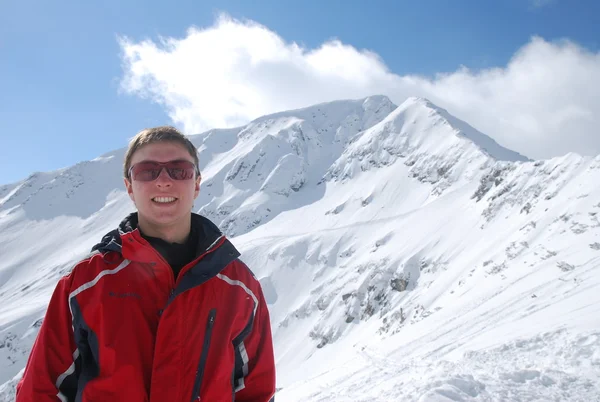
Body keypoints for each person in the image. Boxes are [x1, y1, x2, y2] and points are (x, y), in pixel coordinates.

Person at [16, 126, 276, 401]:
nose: (163, 181)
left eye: (179, 170)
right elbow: (42, 390)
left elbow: (256, 391)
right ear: (129, 186)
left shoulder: (240, 287)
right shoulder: (85, 283)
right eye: (147, 171)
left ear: (196, 183)